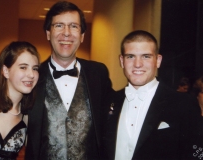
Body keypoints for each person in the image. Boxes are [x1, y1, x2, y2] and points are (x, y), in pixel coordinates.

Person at [25, 1, 113, 160]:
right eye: (59, 25)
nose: (66, 33)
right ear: (48, 33)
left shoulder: (98, 74)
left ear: (82, 36)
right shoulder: (31, 77)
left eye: (74, 26)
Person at [103, 30, 203, 160]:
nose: (137, 64)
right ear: (122, 61)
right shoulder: (109, 101)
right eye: (130, 56)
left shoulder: (184, 103)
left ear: (158, 60)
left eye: (146, 56)